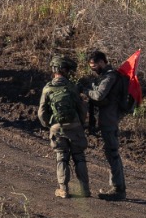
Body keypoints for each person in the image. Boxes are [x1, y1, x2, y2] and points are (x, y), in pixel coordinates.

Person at [38, 55, 90, 198]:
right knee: (79, 157)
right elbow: (81, 108)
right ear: (66, 70)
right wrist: (80, 123)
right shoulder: (72, 87)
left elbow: (41, 112)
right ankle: (85, 189)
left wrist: (49, 124)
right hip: (75, 126)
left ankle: (63, 189)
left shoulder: (47, 88)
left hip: (57, 127)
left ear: (54, 70)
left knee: (61, 157)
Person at [85, 51, 130, 199]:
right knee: (111, 152)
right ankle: (117, 187)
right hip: (108, 119)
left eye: (95, 65)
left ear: (103, 62)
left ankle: (118, 189)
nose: (94, 68)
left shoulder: (110, 76)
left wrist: (86, 91)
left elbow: (99, 95)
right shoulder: (107, 76)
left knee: (112, 153)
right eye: (92, 66)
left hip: (109, 120)